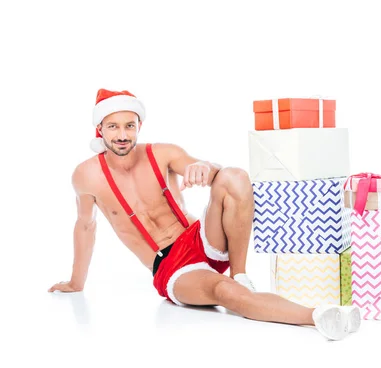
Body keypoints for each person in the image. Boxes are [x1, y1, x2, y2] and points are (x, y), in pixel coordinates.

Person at [48, 88, 361, 341]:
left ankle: (240, 272)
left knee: (234, 174)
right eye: (113, 126)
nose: (122, 135)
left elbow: (214, 174)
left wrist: (205, 167)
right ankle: (321, 316)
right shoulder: (86, 176)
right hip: (171, 266)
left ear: (139, 126)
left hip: (201, 237)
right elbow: (85, 227)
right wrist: (76, 282)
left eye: (129, 125)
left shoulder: (162, 152)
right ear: (99, 128)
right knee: (224, 292)